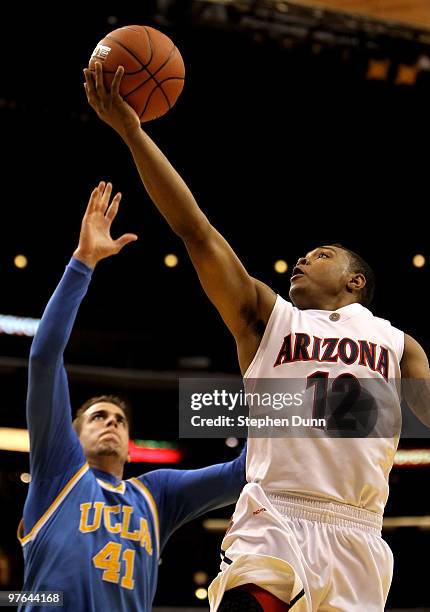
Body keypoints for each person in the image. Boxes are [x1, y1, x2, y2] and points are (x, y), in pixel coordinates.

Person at [83, 63, 430, 611]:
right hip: (275, 517)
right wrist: (133, 132)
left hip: (357, 529)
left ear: (355, 281)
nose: (301, 259)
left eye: (321, 255)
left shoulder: (402, 346)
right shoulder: (267, 318)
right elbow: (195, 230)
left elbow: (419, 422)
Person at [18, 181, 246, 612]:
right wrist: (83, 262)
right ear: (70, 435)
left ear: (129, 446)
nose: (112, 423)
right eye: (99, 417)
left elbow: (243, 473)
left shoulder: (154, 495)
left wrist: (275, 389)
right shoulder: (59, 472)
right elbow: (45, 357)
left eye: (120, 421)